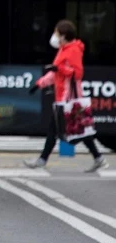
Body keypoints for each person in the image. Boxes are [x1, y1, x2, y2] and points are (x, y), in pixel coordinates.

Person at [24, 19, 108, 172]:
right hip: (62, 96)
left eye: (57, 33)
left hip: (69, 98)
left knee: (58, 130)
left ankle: (42, 160)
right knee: (79, 130)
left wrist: (60, 68)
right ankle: (98, 158)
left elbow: (77, 73)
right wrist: (39, 84)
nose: (55, 36)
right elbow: (56, 72)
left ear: (63, 35)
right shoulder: (63, 49)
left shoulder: (74, 50)